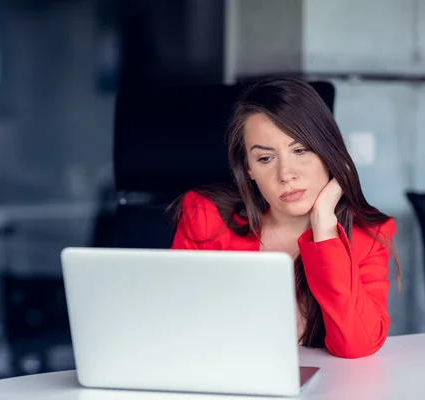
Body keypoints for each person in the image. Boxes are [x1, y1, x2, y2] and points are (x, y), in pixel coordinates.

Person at [170, 76, 400, 359]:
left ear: (329, 153)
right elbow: (176, 325)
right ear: (250, 170)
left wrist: (325, 229)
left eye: (301, 150)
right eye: (266, 159)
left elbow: (357, 346)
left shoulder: (369, 235)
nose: (286, 174)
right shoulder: (206, 218)